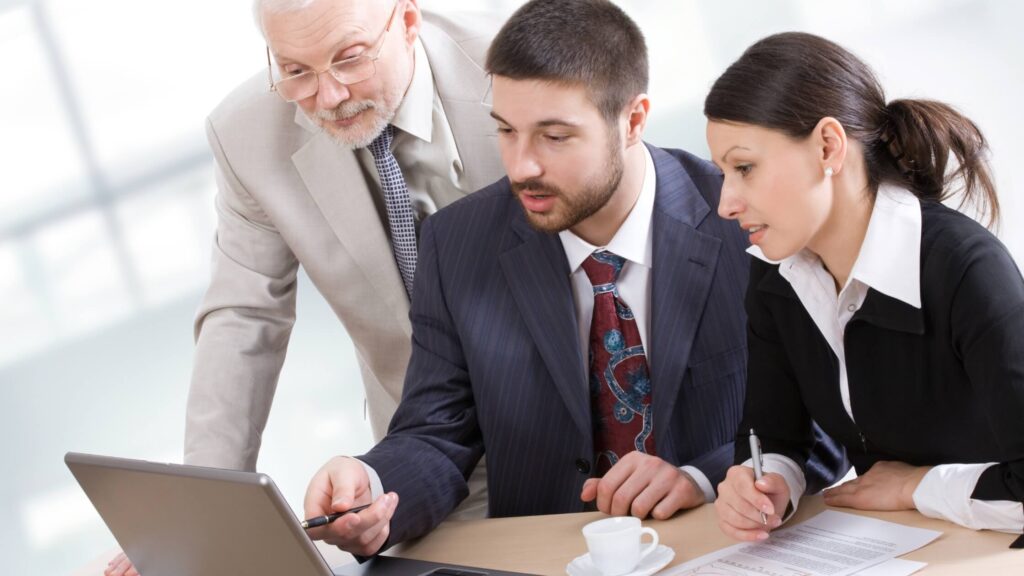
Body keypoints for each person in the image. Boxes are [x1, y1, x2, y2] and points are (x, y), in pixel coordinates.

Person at [300, 0, 846, 557]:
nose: (521, 166)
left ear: (633, 120)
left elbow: (831, 425)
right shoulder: (458, 244)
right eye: (507, 132)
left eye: (554, 137)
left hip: (727, 553)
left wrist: (700, 477)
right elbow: (436, 434)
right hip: (545, 564)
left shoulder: (749, 224)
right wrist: (369, 488)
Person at [104, 0, 501, 574]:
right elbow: (243, 318)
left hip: (589, 420)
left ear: (408, 20)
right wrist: (198, 519)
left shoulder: (513, 60)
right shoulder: (245, 135)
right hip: (418, 461)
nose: (329, 96)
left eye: (350, 59)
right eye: (294, 70)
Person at [706, 32, 1024, 542]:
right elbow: (774, 436)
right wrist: (765, 484)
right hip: (890, 547)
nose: (726, 203)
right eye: (723, 173)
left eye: (744, 168)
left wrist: (915, 487)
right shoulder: (775, 273)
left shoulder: (967, 269)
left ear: (828, 147)